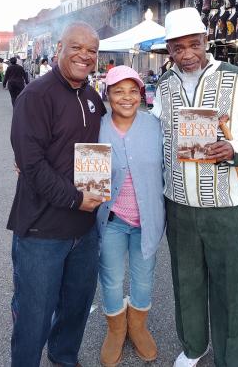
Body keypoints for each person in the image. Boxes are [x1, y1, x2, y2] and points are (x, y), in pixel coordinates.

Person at [152, 7, 238, 367]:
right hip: (178, 203)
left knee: (229, 288)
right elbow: (155, 131)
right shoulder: (164, 84)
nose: (187, 54)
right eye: (178, 48)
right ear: (169, 50)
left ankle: (231, 358)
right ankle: (194, 346)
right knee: (186, 282)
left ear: (206, 41)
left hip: (224, 205)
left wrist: (235, 148)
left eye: (194, 44)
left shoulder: (237, 79)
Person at [7, 21, 106, 367]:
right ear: (59, 47)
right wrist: (78, 198)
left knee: (76, 307)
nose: (85, 55)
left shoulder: (93, 97)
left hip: (84, 230)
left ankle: (64, 358)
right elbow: (32, 168)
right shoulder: (35, 96)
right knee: (34, 316)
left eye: (92, 51)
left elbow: (102, 150)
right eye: (77, 47)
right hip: (41, 231)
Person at [97, 66, 165, 366]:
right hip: (111, 222)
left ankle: (137, 328)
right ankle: (115, 330)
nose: (126, 98)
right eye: (118, 91)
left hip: (147, 221)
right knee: (111, 280)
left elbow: (178, 161)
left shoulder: (155, 126)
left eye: (133, 91)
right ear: (108, 95)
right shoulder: (96, 127)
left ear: (142, 94)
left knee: (143, 281)